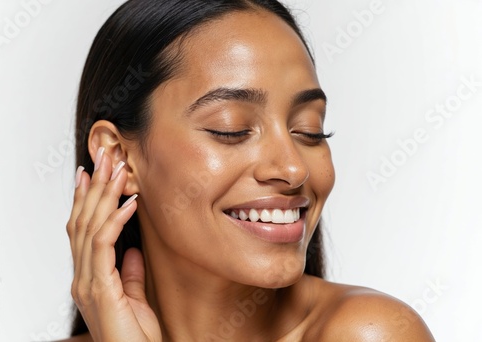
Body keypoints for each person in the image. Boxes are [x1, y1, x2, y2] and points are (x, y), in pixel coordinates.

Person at [61, 0, 435, 341]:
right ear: (119, 157)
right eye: (232, 129)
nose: (293, 168)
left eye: (309, 130)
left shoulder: (369, 332)